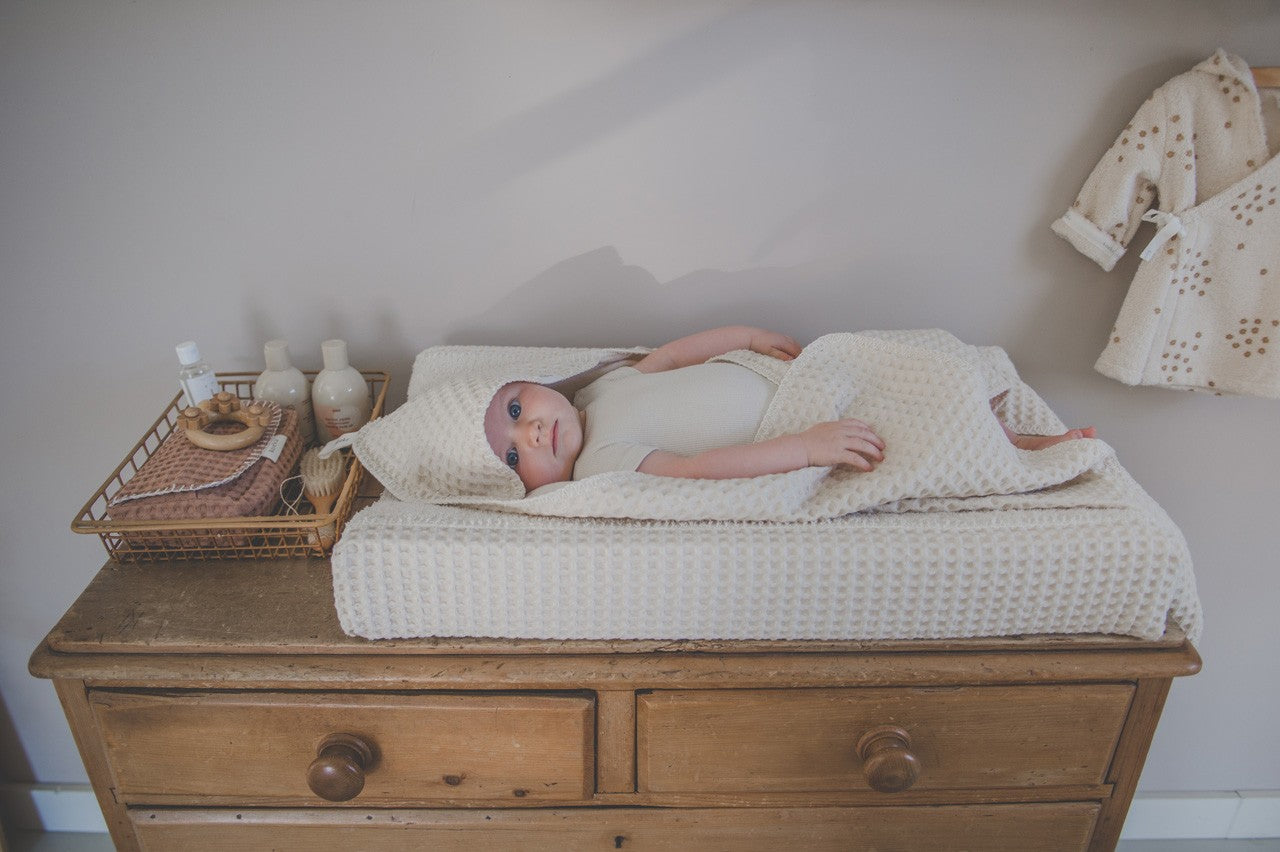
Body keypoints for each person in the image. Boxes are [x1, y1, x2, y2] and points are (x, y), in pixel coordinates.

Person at [483, 325, 1095, 493]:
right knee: (906, 430)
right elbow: (698, 470)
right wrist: (805, 448)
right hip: (793, 424)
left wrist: (747, 337)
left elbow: (670, 356)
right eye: (513, 456)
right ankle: (1018, 447)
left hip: (793, 379)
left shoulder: (598, 390)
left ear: (533, 383)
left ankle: (988, 407)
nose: (530, 432)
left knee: (921, 360)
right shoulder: (600, 466)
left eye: (515, 408)